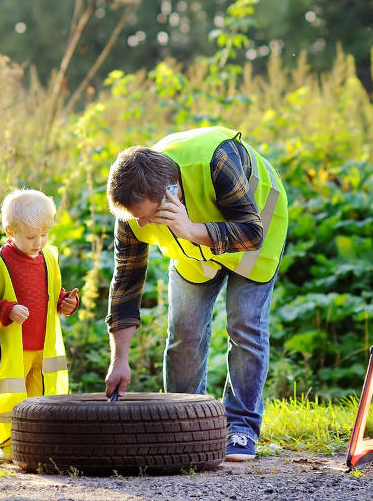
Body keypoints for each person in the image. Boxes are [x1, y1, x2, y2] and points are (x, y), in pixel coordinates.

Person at [104, 126, 288, 461]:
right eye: (134, 218)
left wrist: (190, 228)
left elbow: (251, 233)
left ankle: (241, 428)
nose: (140, 226)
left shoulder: (217, 161)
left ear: (172, 194)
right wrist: (119, 360)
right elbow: (126, 284)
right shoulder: (133, 212)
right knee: (184, 331)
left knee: (244, 326)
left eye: (147, 217)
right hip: (193, 245)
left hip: (255, 225)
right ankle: (183, 422)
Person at [0, 188, 79, 447]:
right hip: (13, 349)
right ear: (10, 232)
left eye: (44, 234)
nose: (39, 242)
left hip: (41, 348)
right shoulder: (1, 263)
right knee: (13, 398)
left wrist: (66, 302)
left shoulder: (48, 258)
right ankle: (10, 443)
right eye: (31, 236)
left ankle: (36, 442)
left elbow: (52, 292)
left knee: (39, 397)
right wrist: (7, 309)